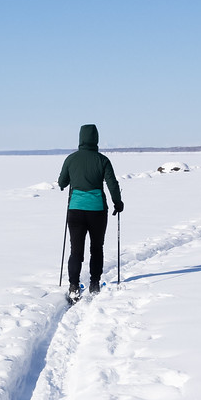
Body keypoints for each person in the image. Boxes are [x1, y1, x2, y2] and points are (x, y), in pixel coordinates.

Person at [57, 124, 123, 299]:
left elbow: (62, 182)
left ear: (80, 138)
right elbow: (112, 184)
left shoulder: (71, 159)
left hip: (76, 210)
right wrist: (118, 202)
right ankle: (94, 284)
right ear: (96, 139)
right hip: (97, 210)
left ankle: (73, 286)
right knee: (96, 248)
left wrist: (69, 182)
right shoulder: (103, 160)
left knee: (76, 250)